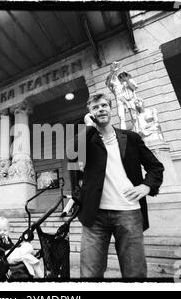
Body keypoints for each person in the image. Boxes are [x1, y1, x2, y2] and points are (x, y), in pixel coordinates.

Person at [69, 93, 164, 279]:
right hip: (94, 216)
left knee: (134, 273)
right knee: (89, 274)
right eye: (95, 107)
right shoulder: (87, 140)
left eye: (104, 105)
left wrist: (146, 187)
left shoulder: (130, 137)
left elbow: (156, 167)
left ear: (110, 109)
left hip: (129, 213)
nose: (101, 109)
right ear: (90, 113)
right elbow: (72, 156)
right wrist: (89, 128)